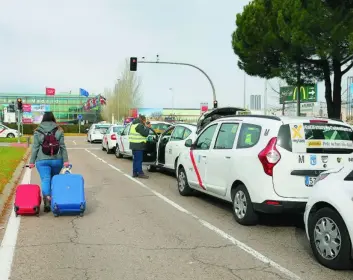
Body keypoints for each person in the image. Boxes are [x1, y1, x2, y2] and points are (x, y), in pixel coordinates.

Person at [28, 111, 69, 212]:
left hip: (42, 160)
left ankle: (47, 199)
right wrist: (66, 160)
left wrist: (32, 161)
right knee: (54, 179)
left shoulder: (38, 131)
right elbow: (63, 147)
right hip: (57, 160)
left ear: (43, 119)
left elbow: (35, 148)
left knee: (45, 179)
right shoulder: (59, 130)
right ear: (53, 118)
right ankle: (54, 199)